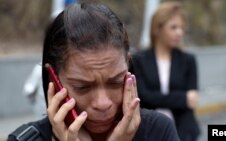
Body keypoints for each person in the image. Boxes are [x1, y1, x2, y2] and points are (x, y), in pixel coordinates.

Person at [8, 1, 180, 141]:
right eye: (83, 87)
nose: (102, 103)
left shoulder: (159, 131)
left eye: (115, 82)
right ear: (54, 80)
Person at [131, 2, 200, 141]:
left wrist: (157, 98)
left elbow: (192, 100)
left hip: (183, 132)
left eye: (181, 28)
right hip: (148, 132)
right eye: (173, 27)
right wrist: (182, 98)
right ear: (158, 29)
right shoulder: (139, 60)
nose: (179, 32)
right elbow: (143, 97)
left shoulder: (188, 60)